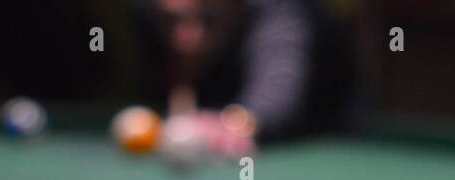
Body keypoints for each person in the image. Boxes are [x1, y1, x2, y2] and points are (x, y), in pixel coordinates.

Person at [132, 0, 355, 157]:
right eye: (171, 20)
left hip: (329, 132)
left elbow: (279, 89)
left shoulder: (278, 17)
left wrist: (237, 121)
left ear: (237, 4)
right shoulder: (145, 15)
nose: (186, 40)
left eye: (207, 19)